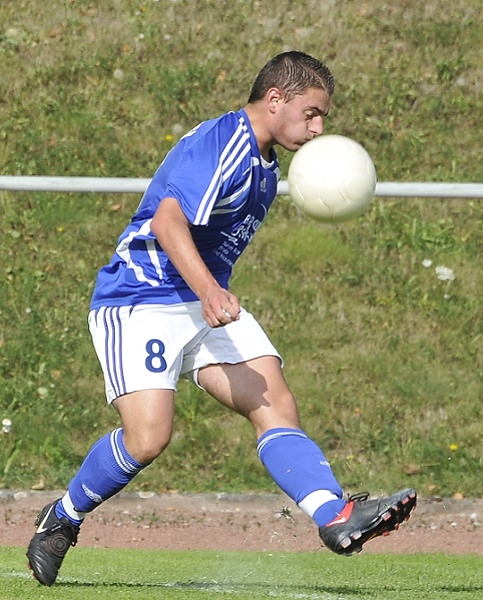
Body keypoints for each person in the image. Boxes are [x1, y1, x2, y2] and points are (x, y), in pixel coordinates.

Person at [27, 51, 416, 586]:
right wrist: (209, 290)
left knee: (274, 403)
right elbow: (166, 222)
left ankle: (335, 515)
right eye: (311, 113)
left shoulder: (265, 164)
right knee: (147, 438)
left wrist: (208, 293)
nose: (319, 128)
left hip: (200, 301)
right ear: (275, 99)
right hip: (140, 298)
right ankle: (63, 517)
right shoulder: (225, 143)